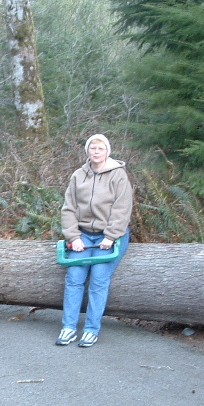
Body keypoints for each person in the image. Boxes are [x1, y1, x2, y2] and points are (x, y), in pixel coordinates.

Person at [57, 134, 133, 347]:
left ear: (107, 151)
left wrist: (111, 236)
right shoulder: (78, 175)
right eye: (93, 148)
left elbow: (122, 208)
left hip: (109, 237)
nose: (96, 152)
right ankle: (69, 327)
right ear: (88, 151)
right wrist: (73, 236)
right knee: (74, 278)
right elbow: (68, 208)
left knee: (99, 279)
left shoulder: (118, 176)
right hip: (83, 236)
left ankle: (91, 329)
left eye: (100, 148)